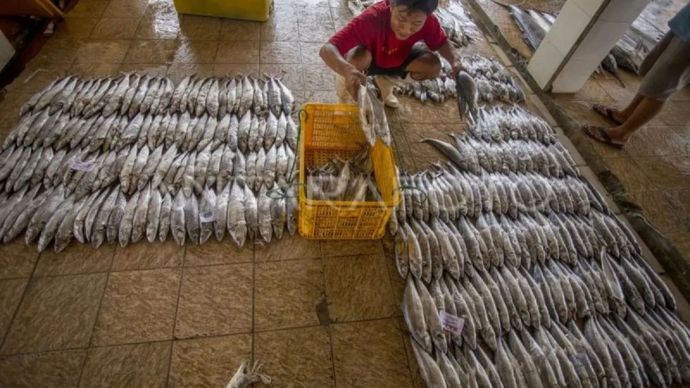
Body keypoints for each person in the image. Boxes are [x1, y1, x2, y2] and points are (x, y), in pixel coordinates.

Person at [583, 3, 690, 148]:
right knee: (655, 71)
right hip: (684, 24)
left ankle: (622, 134)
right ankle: (625, 115)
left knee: (664, 83)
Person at [319, 0, 461, 108]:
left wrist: (454, 60)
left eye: (416, 23)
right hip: (371, 58)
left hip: (398, 58)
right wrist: (347, 70)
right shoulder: (372, 18)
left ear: (427, 16)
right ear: (391, 5)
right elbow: (327, 49)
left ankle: (386, 83)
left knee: (433, 66)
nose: (405, 29)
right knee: (356, 60)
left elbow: (442, 43)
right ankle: (345, 100)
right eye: (401, 18)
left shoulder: (429, 22)